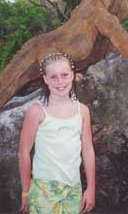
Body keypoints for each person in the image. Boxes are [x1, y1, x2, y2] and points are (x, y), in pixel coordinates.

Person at [18, 52, 96, 214]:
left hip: (73, 188)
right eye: (53, 77)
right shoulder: (37, 111)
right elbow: (24, 151)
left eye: (64, 75)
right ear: (45, 79)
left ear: (72, 76)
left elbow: (88, 150)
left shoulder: (82, 111)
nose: (60, 81)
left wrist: (91, 188)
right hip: (44, 188)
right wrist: (26, 190)